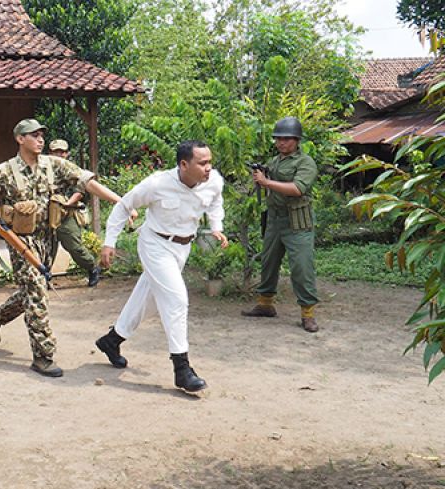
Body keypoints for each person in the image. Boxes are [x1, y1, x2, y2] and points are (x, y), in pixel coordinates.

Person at [0, 119, 132, 377]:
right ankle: (43, 356)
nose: (40, 139)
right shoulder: (4, 171)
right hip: (21, 240)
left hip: (48, 237)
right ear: (19, 139)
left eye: (41, 135)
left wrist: (121, 202)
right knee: (36, 291)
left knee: (33, 291)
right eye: (33, 135)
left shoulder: (54, 165)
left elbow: (86, 182)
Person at [95, 140, 227, 393]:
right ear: (184, 164)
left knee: (149, 298)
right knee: (176, 300)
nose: (208, 168)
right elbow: (124, 205)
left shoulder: (214, 181)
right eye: (202, 163)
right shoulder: (157, 184)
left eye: (210, 161)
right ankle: (182, 369)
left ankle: (112, 340)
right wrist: (109, 243)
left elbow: (215, 203)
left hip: (182, 248)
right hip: (155, 245)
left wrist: (216, 226)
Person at [241, 117, 319, 333]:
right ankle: (265, 304)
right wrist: (262, 175)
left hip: (297, 221)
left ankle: (308, 314)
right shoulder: (275, 162)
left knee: (301, 267)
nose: (281, 143)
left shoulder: (305, 162)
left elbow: (298, 189)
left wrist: (266, 182)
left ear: (296, 140)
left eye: (286, 139)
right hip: (274, 219)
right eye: (278, 139)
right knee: (269, 262)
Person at [48, 139, 101, 287]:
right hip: (46, 215)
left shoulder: (72, 170)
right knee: (46, 249)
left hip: (66, 215)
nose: (60, 154)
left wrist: (65, 204)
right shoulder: (43, 168)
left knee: (74, 246)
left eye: (62, 152)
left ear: (67, 153)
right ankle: (43, 276)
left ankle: (92, 268)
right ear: (50, 153)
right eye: (56, 151)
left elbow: (80, 191)